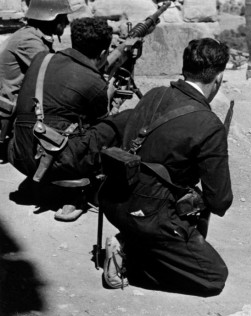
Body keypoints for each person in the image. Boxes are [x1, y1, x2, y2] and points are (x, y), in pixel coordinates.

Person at [99, 38, 233, 296]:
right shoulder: (208, 124)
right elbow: (220, 201)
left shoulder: (153, 95)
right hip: (150, 216)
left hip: (113, 199)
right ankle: (129, 258)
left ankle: (138, 241)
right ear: (218, 79)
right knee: (213, 278)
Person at [9, 17, 116, 220]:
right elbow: (100, 123)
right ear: (103, 54)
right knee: (112, 126)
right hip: (56, 162)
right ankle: (79, 194)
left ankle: (41, 182)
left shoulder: (42, 58)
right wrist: (107, 95)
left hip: (19, 152)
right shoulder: (94, 83)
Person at [0, 0, 74, 161]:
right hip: (10, 108)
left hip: (17, 102)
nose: (66, 22)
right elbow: (53, 74)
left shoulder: (33, 36)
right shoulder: (29, 41)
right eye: (63, 17)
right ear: (51, 18)